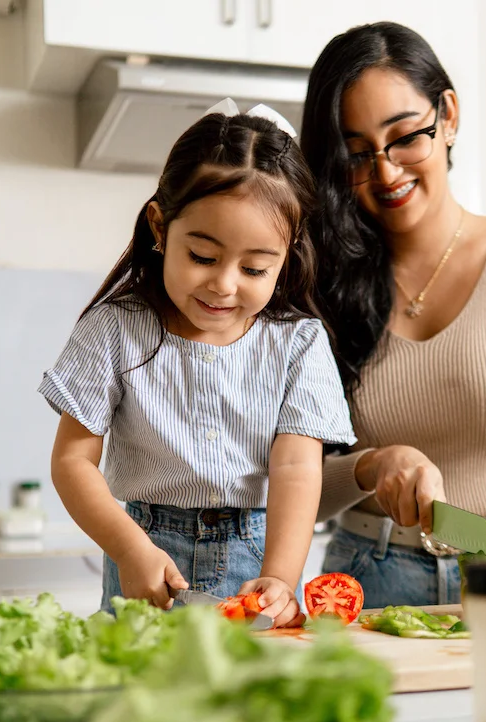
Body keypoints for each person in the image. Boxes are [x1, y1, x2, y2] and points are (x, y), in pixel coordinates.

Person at [38, 101, 355, 628]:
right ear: (160, 228)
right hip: (143, 554)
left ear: (288, 253)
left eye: (254, 267)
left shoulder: (299, 343)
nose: (224, 284)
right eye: (203, 257)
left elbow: (298, 467)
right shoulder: (114, 328)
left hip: (255, 563)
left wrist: (280, 575)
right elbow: (72, 462)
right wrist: (129, 548)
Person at [300, 21, 486, 613]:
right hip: (369, 582)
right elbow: (287, 482)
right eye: (356, 155)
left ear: (447, 115)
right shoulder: (316, 284)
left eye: (404, 137)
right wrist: (371, 466)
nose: (386, 173)